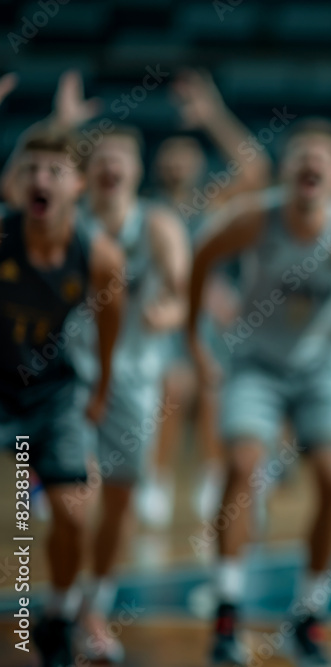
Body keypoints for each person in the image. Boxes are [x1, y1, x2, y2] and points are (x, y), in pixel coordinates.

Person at [189, 118, 331, 667]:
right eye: (299, 156)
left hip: (323, 368)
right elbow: (199, 260)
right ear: (286, 171)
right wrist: (196, 341)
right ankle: (227, 612)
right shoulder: (256, 218)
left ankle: (307, 618)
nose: (309, 164)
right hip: (256, 362)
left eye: (322, 157)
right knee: (242, 465)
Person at [0, 120, 125, 667]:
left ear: (80, 185)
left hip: (54, 391)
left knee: (75, 516)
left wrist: (102, 389)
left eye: (55, 170)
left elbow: (110, 324)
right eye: (30, 169)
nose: (40, 178)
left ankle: (57, 614)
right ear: (16, 183)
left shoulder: (98, 255)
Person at [64, 125, 189, 663]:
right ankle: (48, 609)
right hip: (65, 374)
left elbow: (182, 291)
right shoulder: (65, 222)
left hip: (134, 377)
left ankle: (95, 606)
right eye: (102, 158)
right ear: (86, 173)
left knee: (117, 503)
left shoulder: (156, 225)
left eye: (122, 158)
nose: (112, 166)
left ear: (137, 172)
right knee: (72, 496)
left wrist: (171, 310)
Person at [146, 68, 273, 526]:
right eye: (170, 155)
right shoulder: (150, 211)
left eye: (186, 154)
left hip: (209, 320)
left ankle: (212, 475)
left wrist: (213, 115)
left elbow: (255, 167)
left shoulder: (212, 203)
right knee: (173, 388)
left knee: (213, 389)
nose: (178, 162)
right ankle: (155, 482)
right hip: (157, 319)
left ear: (200, 164)